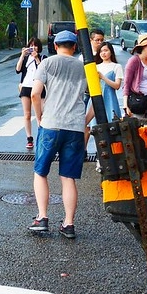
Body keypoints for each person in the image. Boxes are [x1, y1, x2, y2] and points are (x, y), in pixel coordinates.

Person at [28, 30, 90, 239]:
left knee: (40, 172)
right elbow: (95, 98)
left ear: (55, 46)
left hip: (51, 124)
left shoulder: (47, 63)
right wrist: (84, 120)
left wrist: (39, 116)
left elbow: (35, 93)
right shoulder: (84, 67)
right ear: (74, 47)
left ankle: (42, 218)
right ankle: (69, 224)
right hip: (75, 128)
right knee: (68, 177)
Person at [15, 37, 44, 150]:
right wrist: (22, 55)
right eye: (31, 45)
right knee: (27, 114)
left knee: (40, 115)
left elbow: (43, 71)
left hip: (39, 88)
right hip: (26, 87)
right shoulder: (26, 58)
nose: (33, 47)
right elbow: (18, 70)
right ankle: (29, 138)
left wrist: (36, 58)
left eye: (35, 45)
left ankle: (42, 137)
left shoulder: (43, 58)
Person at [123, 33, 147, 120]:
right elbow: (126, 84)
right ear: (143, 47)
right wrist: (125, 105)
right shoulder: (134, 61)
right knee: (138, 124)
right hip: (138, 99)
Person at [92, 41, 123, 123]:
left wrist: (103, 77)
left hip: (110, 99)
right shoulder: (96, 67)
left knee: (112, 123)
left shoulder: (117, 66)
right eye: (101, 51)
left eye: (105, 50)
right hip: (96, 98)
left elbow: (117, 86)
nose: (103, 53)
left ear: (111, 52)